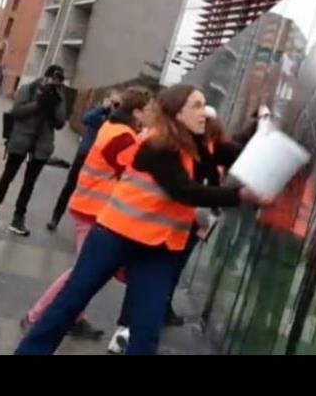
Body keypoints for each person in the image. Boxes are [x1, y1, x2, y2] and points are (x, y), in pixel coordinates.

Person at [14, 85, 271, 355]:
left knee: (146, 331)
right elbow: (183, 190)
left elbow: (234, 151)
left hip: (158, 249)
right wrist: (240, 195)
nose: (204, 113)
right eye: (196, 106)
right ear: (175, 113)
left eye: (204, 105)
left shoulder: (198, 145)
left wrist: (262, 126)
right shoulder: (155, 145)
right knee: (69, 304)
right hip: (115, 237)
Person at [107, 105, 244, 354]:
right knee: (157, 278)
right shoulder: (180, 149)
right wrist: (235, 196)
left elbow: (233, 150)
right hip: (170, 225)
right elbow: (187, 190)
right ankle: (128, 329)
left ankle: (130, 328)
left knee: (157, 279)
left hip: (181, 224)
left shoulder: (205, 148)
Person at [21, 87, 154, 340]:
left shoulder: (114, 127)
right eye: (148, 110)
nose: (151, 114)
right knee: (82, 272)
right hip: (95, 210)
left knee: (85, 270)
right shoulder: (123, 137)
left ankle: (75, 317)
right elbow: (133, 170)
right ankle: (36, 316)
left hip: (89, 206)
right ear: (137, 112)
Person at [0, 64, 68, 236]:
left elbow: (60, 123)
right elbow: (17, 111)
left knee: (29, 184)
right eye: (52, 79)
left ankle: (18, 218)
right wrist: (39, 103)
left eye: (58, 82)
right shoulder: (30, 88)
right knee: (7, 177)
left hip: (42, 145)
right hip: (21, 140)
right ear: (45, 77)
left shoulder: (59, 96)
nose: (54, 84)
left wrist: (53, 105)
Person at [46, 89, 123, 232]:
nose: (114, 106)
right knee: (70, 186)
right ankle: (55, 217)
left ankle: (87, 224)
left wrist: (115, 113)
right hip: (85, 153)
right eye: (112, 102)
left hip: (101, 161)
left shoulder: (116, 118)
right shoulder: (98, 110)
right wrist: (103, 108)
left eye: (117, 104)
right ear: (106, 99)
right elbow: (86, 119)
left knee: (96, 193)